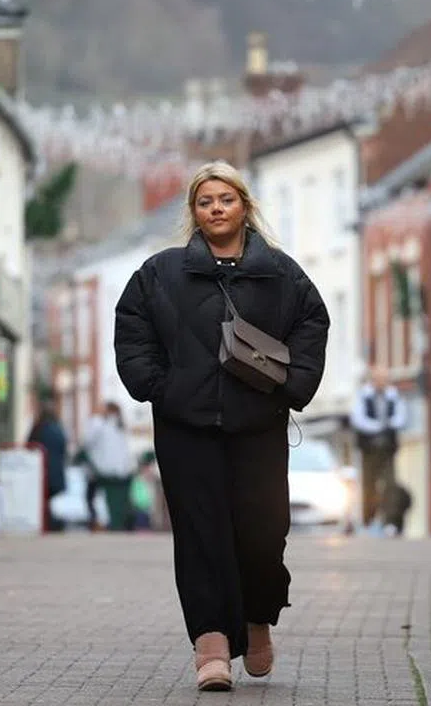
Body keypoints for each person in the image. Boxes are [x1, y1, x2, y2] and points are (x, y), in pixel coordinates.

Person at [114, 160, 329, 692]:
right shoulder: (160, 274)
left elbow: (312, 325)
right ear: (194, 212)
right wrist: (157, 386)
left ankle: (257, 620)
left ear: (244, 206)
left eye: (225, 199)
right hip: (185, 425)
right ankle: (210, 643)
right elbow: (132, 328)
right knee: (200, 534)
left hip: (257, 423)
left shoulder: (281, 274)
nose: (216, 209)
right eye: (205, 201)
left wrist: (288, 387)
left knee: (261, 534)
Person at [349, 367, 408, 528]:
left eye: (384, 379)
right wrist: (379, 426)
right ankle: (369, 519)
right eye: (378, 379)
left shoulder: (393, 397)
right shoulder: (363, 396)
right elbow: (359, 420)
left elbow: (400, 418)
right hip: (369, 449)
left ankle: (390, 521)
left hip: (388, 448)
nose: (381, 382)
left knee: (390, 484)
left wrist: (388, 425)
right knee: (369, 485)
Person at [81, 402, 137, 531]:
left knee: (93, 497)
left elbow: (87, 441)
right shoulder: (120, 426)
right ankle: (116, 523)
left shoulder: (100, 424)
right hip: (121, 472)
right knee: (118, 500)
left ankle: (98, 523)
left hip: (101, 470)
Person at [27, 393, 68, 533]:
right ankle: (50, 523)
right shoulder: (58, 428)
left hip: (42, 472)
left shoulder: (40, 429)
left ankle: (48, 524)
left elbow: (30, 446)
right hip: (56, 473)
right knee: (47, 501)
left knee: (42, 501)